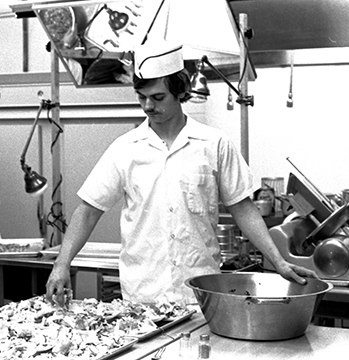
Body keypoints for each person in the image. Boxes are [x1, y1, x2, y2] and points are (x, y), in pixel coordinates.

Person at [46, 41, 315, 306]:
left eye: (158, 97)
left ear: (180, 91)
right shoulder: (125, 148)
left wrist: (279, 261)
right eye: (142, 97)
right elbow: (89, 209)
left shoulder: (213, 144)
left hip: (199, 295)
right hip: (143, 297)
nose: (148, 106)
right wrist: (61, 264)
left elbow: (242, 209)